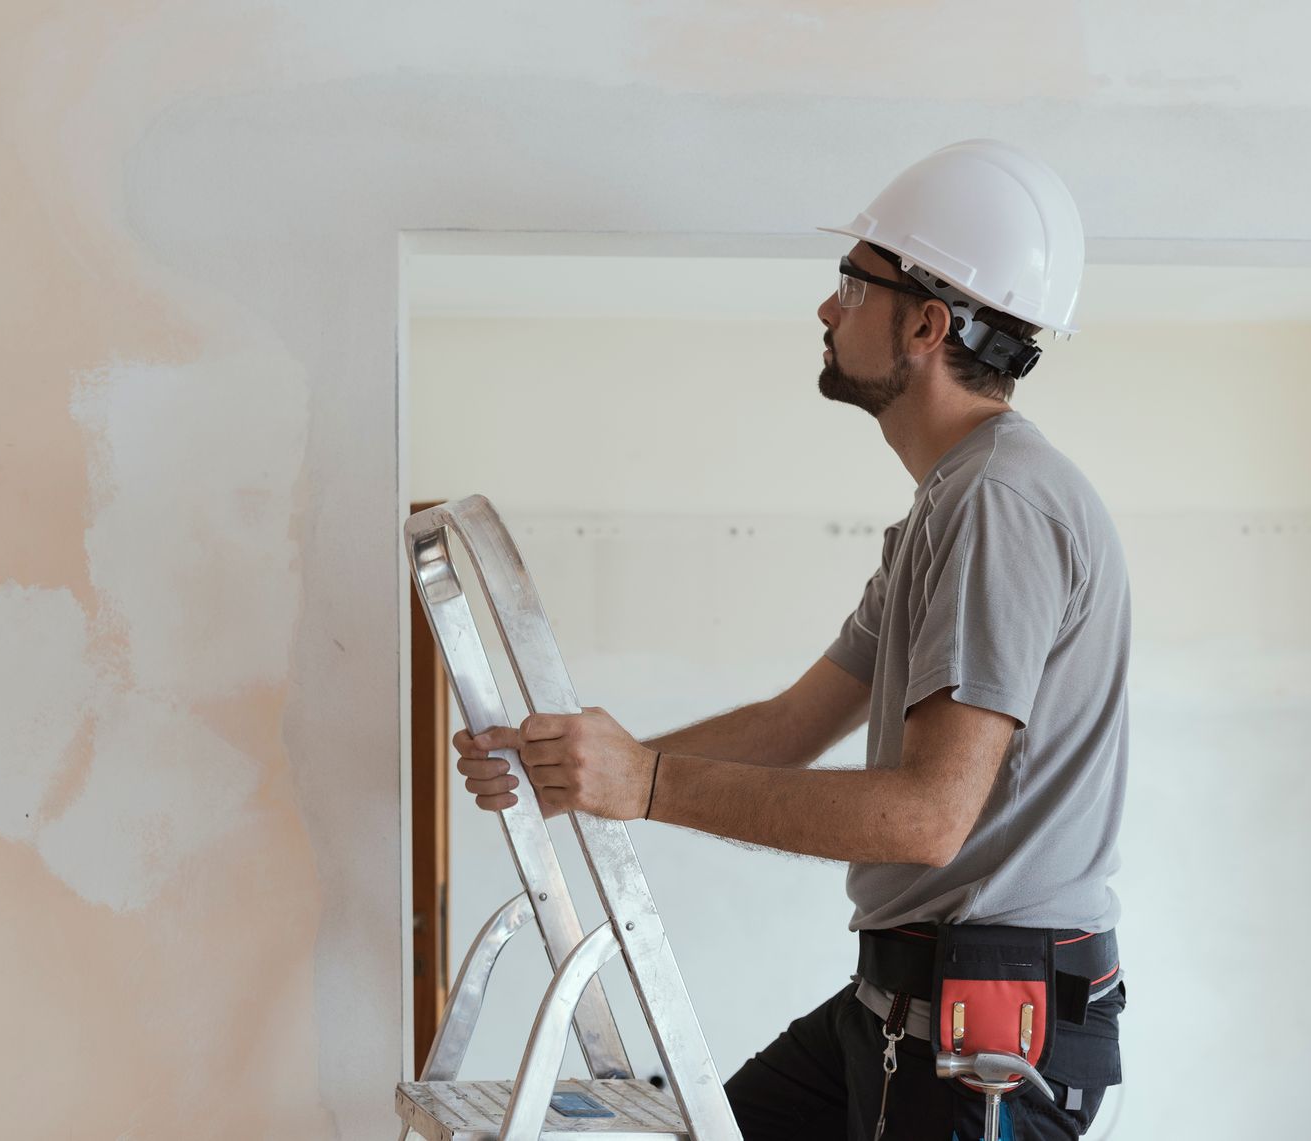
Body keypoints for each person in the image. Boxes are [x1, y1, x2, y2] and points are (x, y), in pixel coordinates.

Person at [452, 139, 1131, 1140]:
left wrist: (642, 783)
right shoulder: (948, 510)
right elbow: (788, 722)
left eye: (854, 285)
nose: (827, 309)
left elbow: (925, 818)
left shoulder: (998, 503)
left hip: (979, 1036)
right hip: (902, 1004)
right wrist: (574, 765)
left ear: (928, 326)